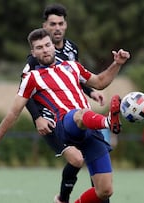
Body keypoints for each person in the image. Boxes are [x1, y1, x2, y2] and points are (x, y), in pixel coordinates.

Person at [0, 28, 130, 202]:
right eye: (39, 47)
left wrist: (118, 63)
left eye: (47, 45)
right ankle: (108, 121)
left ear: (53, 46)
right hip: (65, 124)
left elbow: (99, 82)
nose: (45, 50)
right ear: (33, 52)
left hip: (90, 129)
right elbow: (13, 113)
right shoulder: (32, 78)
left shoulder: (72, 66)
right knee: (79, 114)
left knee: (105, 190)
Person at [22, 4, 106, 203]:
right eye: (53, 24)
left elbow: (72, 78)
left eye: (60, 23)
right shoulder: (37, 56)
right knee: (77, 159)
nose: (57, 28)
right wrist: (37, 117)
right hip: (53, 118)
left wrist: (91, 91)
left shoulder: (72, 49)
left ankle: (73, 198)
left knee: (90, 157)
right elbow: (24, 92)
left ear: (66, 25)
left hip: (75, 112)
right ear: (45, 26)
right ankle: (64, 198)